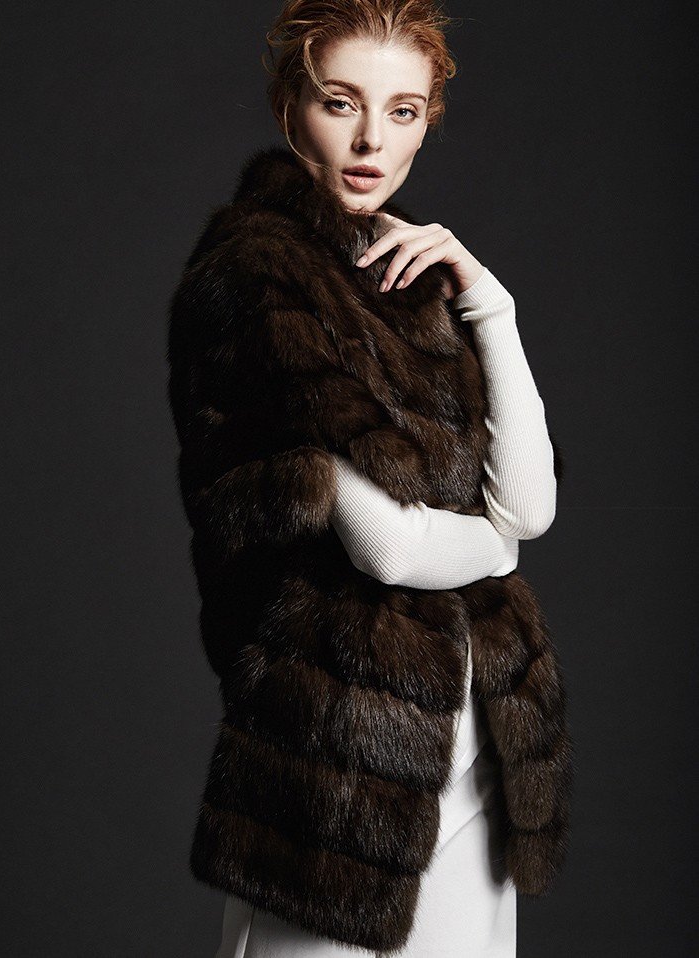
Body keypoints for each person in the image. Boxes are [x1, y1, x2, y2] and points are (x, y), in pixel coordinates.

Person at [178, 2, 560, 955]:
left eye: (402, 110)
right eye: (340, 102)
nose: (369, 141)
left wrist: (492, 305)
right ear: (289, 106)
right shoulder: (255, 278)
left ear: (428, 121)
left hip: (473, 755)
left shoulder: (413, 272)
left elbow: (531, 503)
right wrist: (497, 545)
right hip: (333, 774)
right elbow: (391, 548)